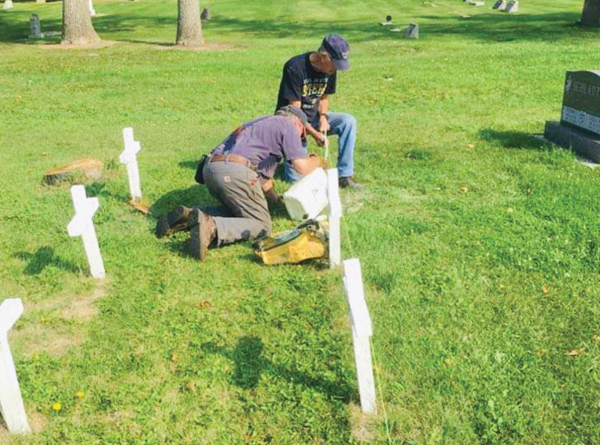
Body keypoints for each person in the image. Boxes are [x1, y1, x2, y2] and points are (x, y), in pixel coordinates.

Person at [156, 106, 321, 261]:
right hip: (235, 172)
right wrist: (318, 161)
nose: (300, 140)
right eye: (302, 135)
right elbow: (302, 166)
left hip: (210, 169)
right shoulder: (289, 126)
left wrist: (276, 203)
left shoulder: (257, 124)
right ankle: (212, 227)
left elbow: (264, 184)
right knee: (262, 224)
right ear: (299, 124)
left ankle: (190, 215)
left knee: (240, 211)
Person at [276, 33, 362, 189]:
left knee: (348, 122)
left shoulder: (329, 70)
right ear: (324, 57)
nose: (337, 69)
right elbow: (294, 111)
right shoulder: (295, 67)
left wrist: (323, 117)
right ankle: (288, 163)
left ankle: (344, 175)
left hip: (314, 116)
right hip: (291, 123)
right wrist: (314, 133)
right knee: (297, 180)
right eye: (335, 64)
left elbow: (323, 97)